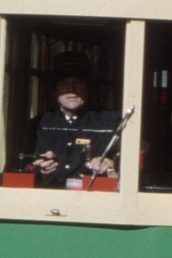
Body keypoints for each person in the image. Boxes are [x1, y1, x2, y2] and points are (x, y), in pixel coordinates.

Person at [31, 52, 120, 188]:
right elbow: (23, 165)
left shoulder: (110, 120)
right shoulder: (40, 123)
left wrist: (112, 161)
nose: (71, 90)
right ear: (55, 90)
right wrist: (43, 171)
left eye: (78, 83)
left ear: (88, 88)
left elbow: (140, 151)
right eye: (64, 84)